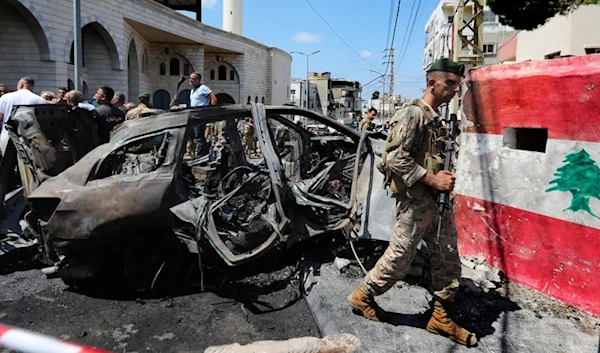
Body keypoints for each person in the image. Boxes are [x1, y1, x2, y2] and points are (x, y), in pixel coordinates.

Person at [346, 58, 477, 347]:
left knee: (447, 258)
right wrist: (433, 181)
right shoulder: (412, 115)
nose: (456, 90)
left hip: (437, 204)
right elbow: (394, 159)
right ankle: (363, 296)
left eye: (458, 84)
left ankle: (440, 317)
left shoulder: (436, 118)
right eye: (450, 83)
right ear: (432, 83)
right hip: (416, 203)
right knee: (400, 258)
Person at [0, 77, 46, 143]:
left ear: (21, 84)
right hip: (30, 139)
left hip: (7, 137)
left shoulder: (5, 97)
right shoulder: (40, 100)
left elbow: (0, 117)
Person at [189, 72, 217, 156]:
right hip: (194, 114)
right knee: (197, 135)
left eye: (193, 78)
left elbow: (213, 98)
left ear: (198, 80)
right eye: (190, 78)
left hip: (200, 113)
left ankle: (200, 155)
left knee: (199, 136)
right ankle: (203, 154)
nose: (191, 80)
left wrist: (211, 111)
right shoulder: (192, 90)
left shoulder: (203, 88)